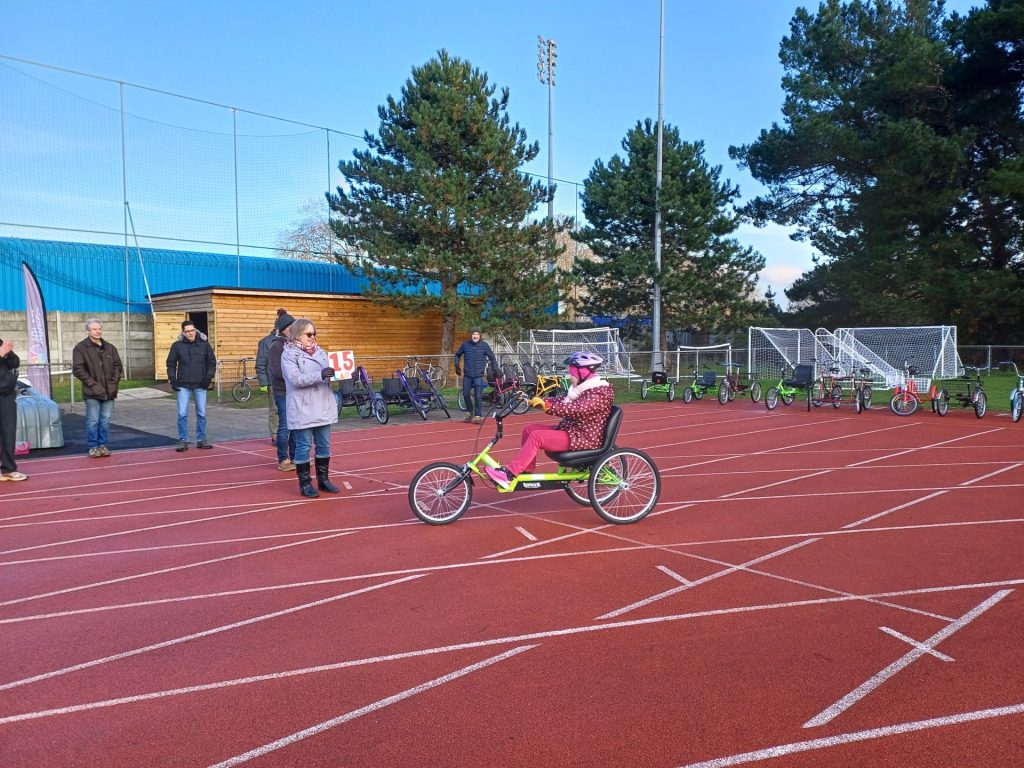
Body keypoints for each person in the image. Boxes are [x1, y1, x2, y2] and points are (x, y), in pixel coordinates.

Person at [485, 351, 614, 490]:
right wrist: (534, 401)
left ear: (584, 373)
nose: (570, 376)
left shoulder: (599, 393)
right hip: (572, 431)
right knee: (529, 429)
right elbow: (562, 401)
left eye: (573, 374)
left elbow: (576, 409)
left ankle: (509, 476)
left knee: (537, 437)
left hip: (583, 437)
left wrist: (547, 406)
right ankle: (525, 470)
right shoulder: (582, 389)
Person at [281, 318, 339, 497]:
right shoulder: (289, 354)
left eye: (314, 333)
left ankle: (323, 480)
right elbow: (295, 379)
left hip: (322, 405)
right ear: (297, 333)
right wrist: (320, 374)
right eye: (308, 334)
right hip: (303, 407)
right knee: (303, 446)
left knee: (324, 446)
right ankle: (305, 483)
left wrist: (343, 373)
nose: (312, 337)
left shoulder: (321, 352)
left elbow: (330, 373)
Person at [72, 318, 124, 458]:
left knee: (105, 420)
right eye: (94, 329)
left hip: (109, 391)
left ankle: (102, 445)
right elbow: (78, 369)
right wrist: (92, 384)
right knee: (93, 420)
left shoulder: (110, 348)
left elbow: (118, 366)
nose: (98, 331)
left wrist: (114, 381)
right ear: (88, 331)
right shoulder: (80, 348)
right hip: (92, 392)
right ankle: (93, 446)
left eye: (99, 328)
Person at [166, 320, 217, 452]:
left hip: (201, 384)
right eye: (187, 331)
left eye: (192, 330)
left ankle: (201, 439)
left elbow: (212, 362)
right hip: (183, 385)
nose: (190, 333)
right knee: (182, 413)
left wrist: (208, 378)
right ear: (183, 332)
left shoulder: (204, 345)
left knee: (202, 413)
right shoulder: (177, 346)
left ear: (196, 330)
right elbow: (171, 363)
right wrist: (173, 380)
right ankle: (183, 440)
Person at [267, 312, 297, 472]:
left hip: (295, 391)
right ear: (284, 330)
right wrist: (296, 375)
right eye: (291, 327)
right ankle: (283, 458)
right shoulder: (276, 346)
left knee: (295, 425)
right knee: (285, 425)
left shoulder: (295, 344)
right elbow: (277, 371)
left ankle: (294, 457)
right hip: (282, 391)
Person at [256, 307, 288, 444]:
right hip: (272, 381)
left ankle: (287, 434)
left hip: (289, 381)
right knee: (275, 409)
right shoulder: (266, 342)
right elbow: (260, 363)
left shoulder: (290, 341)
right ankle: (275, 435)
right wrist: (263, 383)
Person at [453, 327, 499, 424]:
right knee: (465, 394)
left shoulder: (484, 345)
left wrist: (495, 368)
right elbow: (457, 355)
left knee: (478, 396)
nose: (475, 336)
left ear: (480, 335)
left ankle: (477, 415)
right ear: (471, 335)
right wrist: (457, 366)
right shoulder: (465, 344)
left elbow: (492, 357)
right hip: (467, 375)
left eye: (477, 334)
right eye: (474, 334)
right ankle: (469, 412)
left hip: (478, 376)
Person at [0, 338, 27, 481]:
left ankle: (8, 469)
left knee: (8, 432)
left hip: (6, 396)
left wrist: (7, 352)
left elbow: (15, 362)